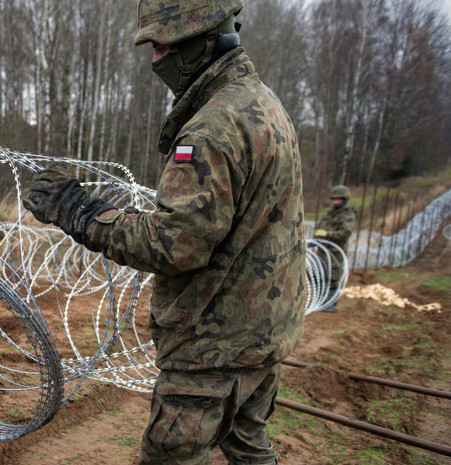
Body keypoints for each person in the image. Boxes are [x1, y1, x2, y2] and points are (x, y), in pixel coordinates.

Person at [23, 0, 306, 463]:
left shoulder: (211, 128)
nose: (156, 59)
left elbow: (175, 244)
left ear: (201, 42)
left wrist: (77, 211)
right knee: (250, 448)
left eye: (162, 46)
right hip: (263, 332)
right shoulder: (261, 103)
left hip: (212, 349)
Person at [313, 185, 357, 311]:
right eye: (334, 199)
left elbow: (345, 233)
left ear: (344, 199)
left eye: (339, 199)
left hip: (335, 252)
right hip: (322, 251)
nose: (336, 201)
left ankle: (332, 303)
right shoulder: (329, 213)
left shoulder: (348, 215)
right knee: (319, 276)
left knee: (333, 277)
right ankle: (320, 301)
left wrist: (327, 234)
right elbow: (319, 228)